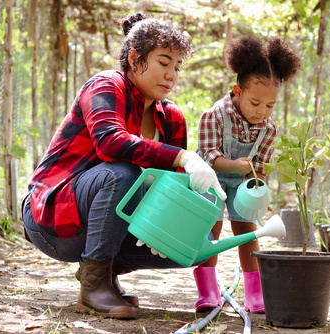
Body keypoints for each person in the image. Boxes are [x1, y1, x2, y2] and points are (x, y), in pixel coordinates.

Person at [21, 12, 226, 320]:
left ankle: (109, 275)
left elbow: (168, 190)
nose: (172, 75)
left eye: (178, 67)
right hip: (53, 217)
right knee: (123, 174)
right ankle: (93, 286)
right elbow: (110, 142)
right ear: (135, 58)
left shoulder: (171, 118)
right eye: (164, 62)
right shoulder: (106, 85)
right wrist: (183, 157)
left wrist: (198, 213)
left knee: (193, 244)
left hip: (107, 222)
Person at [195, 35, 300, 313]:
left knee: (247, 232)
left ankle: (255, 295)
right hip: (211, 180)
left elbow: (261, 167)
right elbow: (207, 157)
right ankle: (207, 292)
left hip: (243, 185)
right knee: (211, 232)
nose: (261, 112)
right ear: (238, 91)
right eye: (255, 103)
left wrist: (259, 191)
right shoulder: (214, 116)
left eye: (269, 106)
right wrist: (233, 166)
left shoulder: (269, 129)